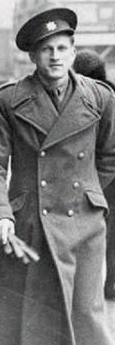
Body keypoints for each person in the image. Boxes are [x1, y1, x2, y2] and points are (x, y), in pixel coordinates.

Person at [0, 8, 115, 345]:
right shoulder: (7, 100)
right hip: (30, 224)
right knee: (34, 325)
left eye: (62, 48)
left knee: (83, 316)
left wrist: (88, 192)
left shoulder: (100, 98)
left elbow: (110, 155)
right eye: (46, 49)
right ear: (33, 56)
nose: (55, 56)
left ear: (73, 52)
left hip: (84, 226)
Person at [73, 49, 115, 301]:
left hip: (97, 176)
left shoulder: (87, 97)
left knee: (91, 234)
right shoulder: (111, 92)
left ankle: (88, 290)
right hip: (107, 174)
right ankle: (112, 284)